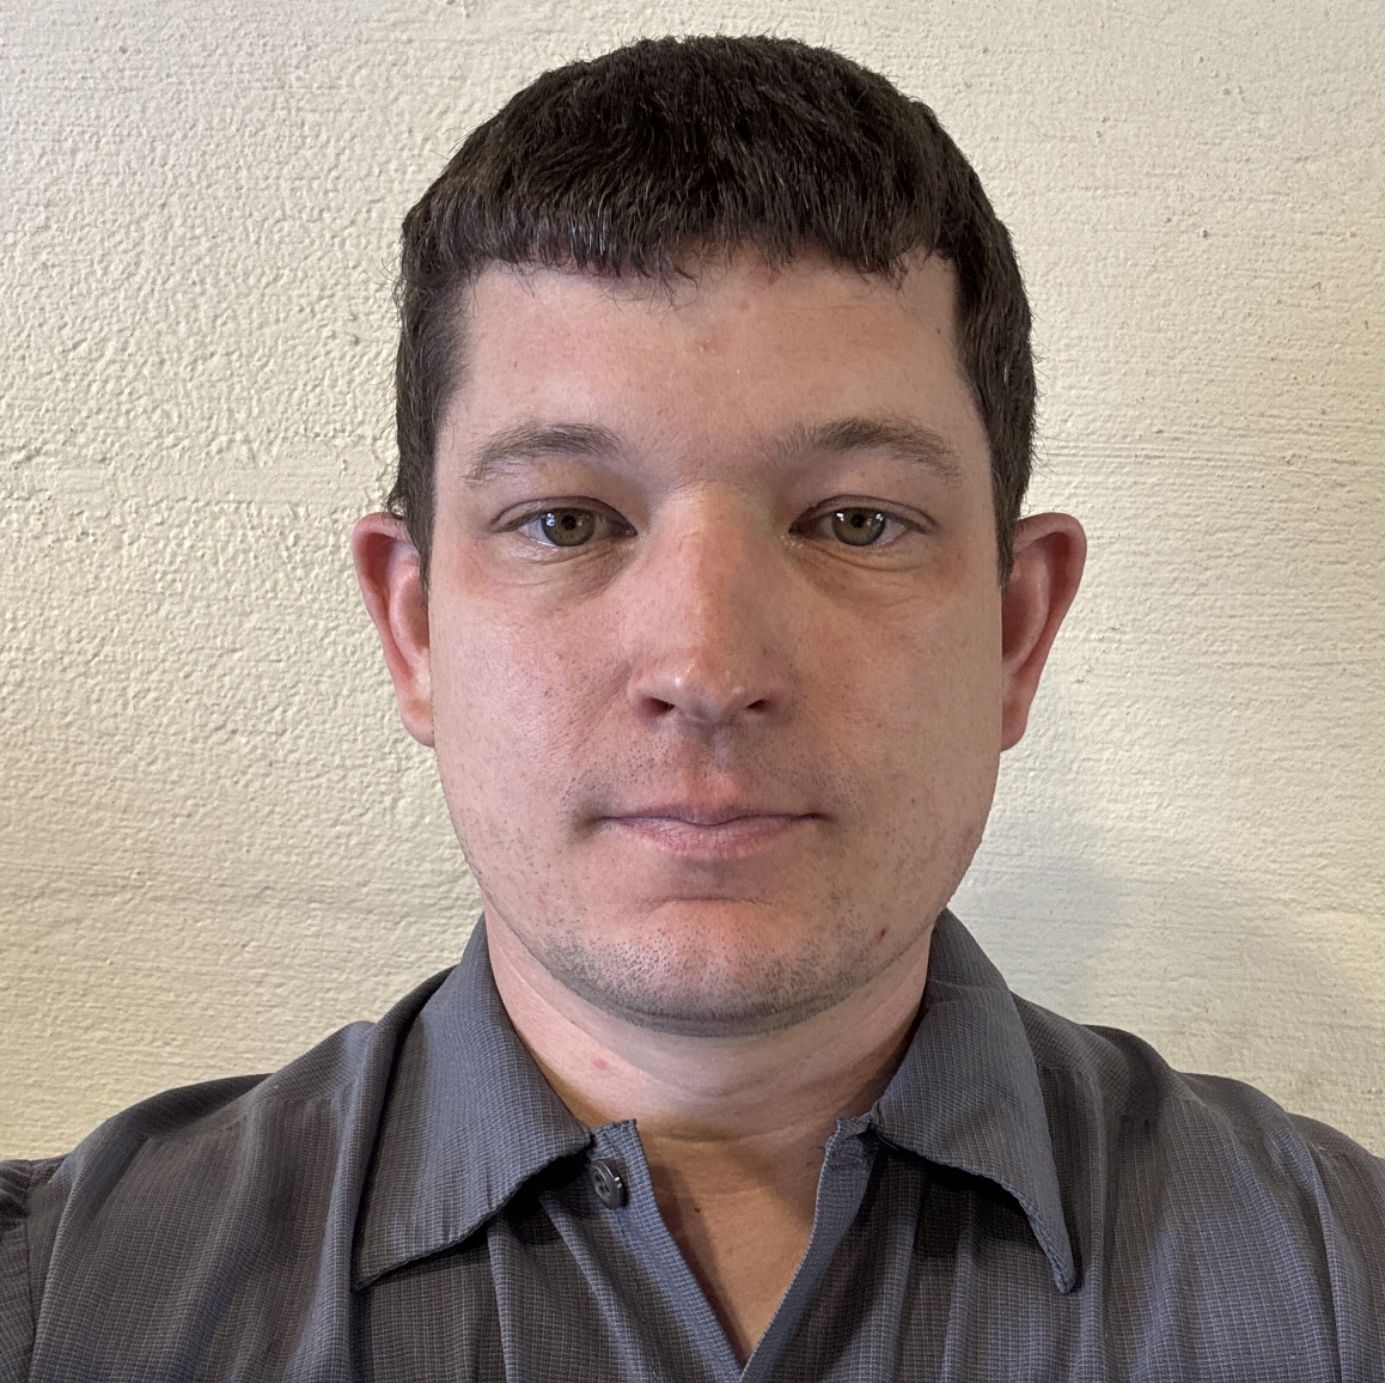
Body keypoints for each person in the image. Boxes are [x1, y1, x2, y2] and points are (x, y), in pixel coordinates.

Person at [2, 32, 1381, 1383]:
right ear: (412, 628)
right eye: (564, 520)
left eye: (855, 520)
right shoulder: (57, 1303)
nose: (709, 670)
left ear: (1015, 632)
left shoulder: (1340, 1288)